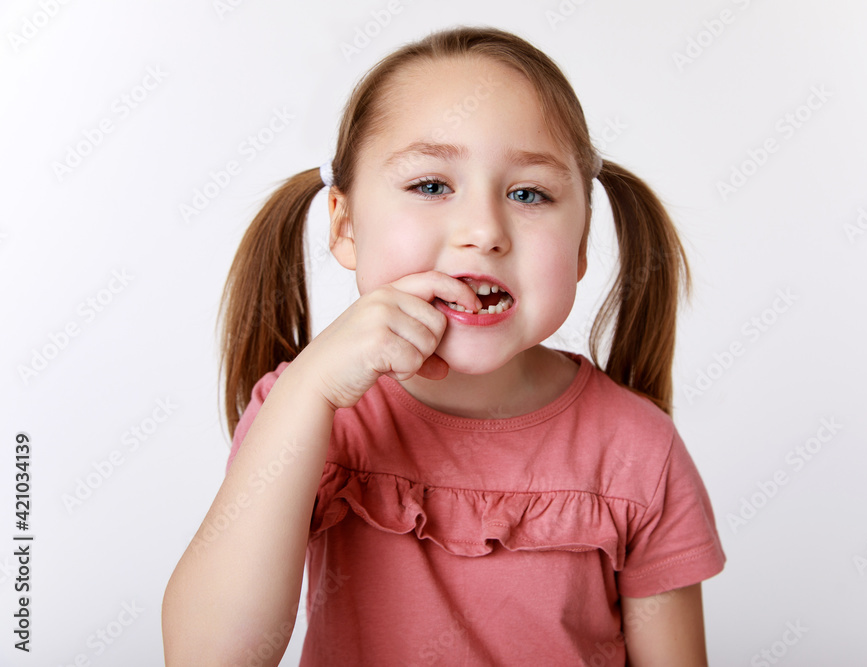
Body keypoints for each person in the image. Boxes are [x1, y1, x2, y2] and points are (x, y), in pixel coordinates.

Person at [163, 25, 726, 666]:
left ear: (581, 248)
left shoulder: (638, 450)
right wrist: (309, 390)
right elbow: (208, 657)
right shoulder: (307, 413)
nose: (484, 230)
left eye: (528, 193)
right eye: (431, 185)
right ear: (345, 227)